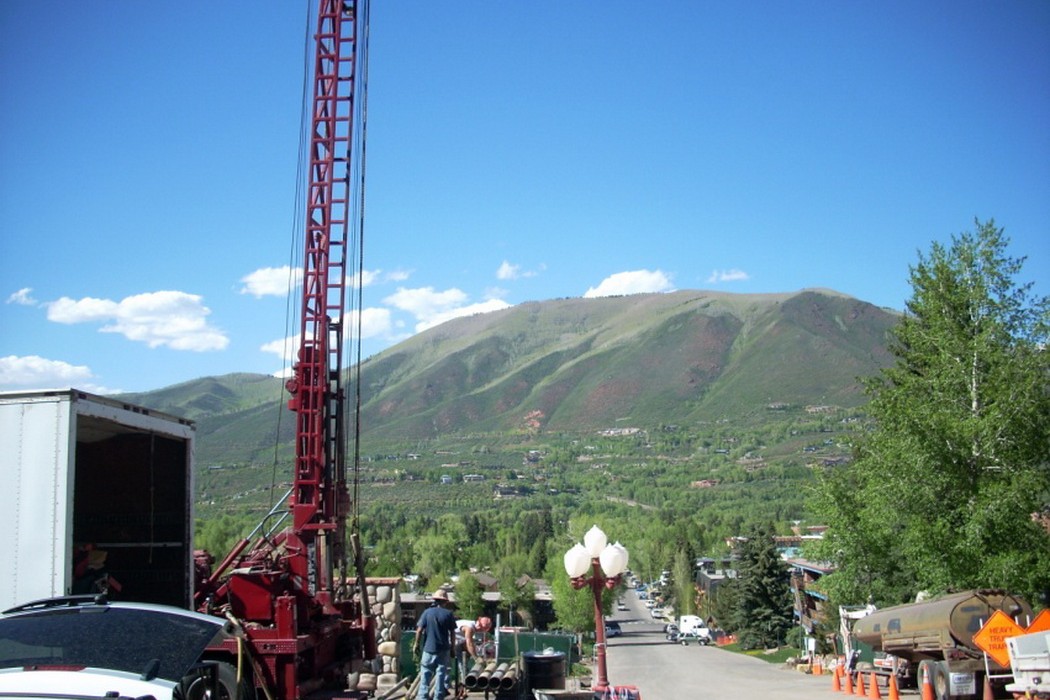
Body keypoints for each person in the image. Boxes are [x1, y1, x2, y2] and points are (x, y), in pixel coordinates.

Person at [413, 588, 457, 700]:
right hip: (443, 649)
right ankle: (438, 696)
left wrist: (416, 644)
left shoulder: (427, 613)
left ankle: (422, 697)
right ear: (445, 601)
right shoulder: (448, 614)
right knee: (441, 674)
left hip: (428, 648)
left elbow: (419, 630)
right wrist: (452, 648)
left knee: (425, 673)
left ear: (435, 600)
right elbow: (452, 633)